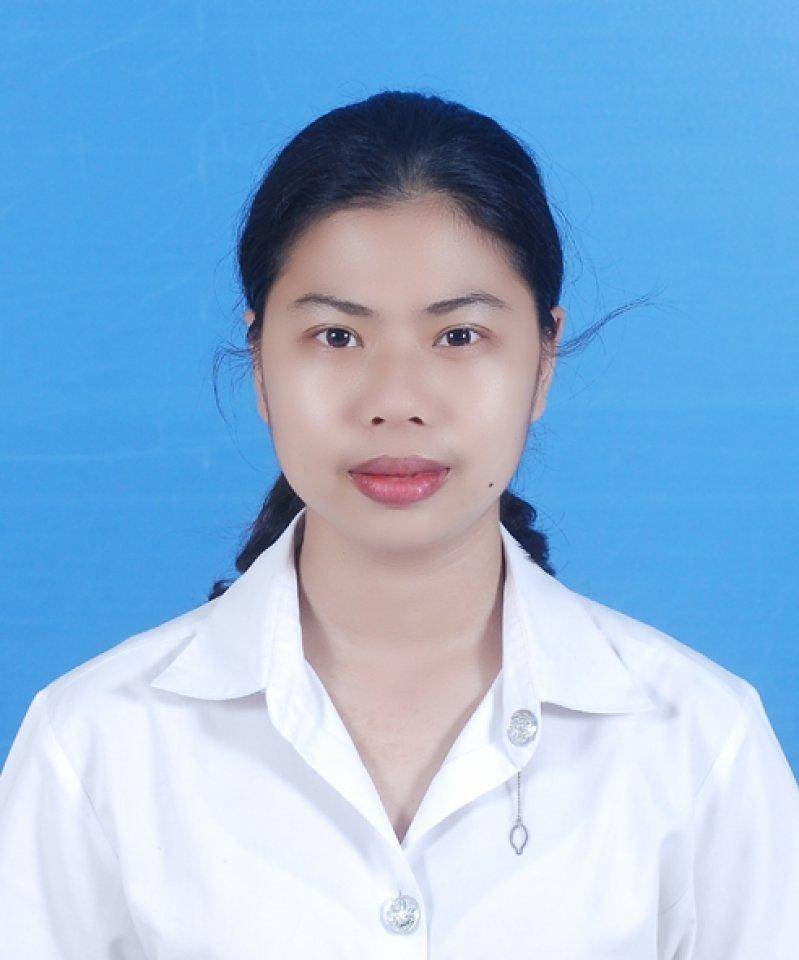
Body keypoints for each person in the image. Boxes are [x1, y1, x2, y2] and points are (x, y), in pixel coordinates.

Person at [1, 89, 797, 959]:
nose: (395, 402)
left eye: (458, 337)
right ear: (260, 363)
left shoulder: (696, 743)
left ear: (542, 360)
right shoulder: (95, 746)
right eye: (337, 337)